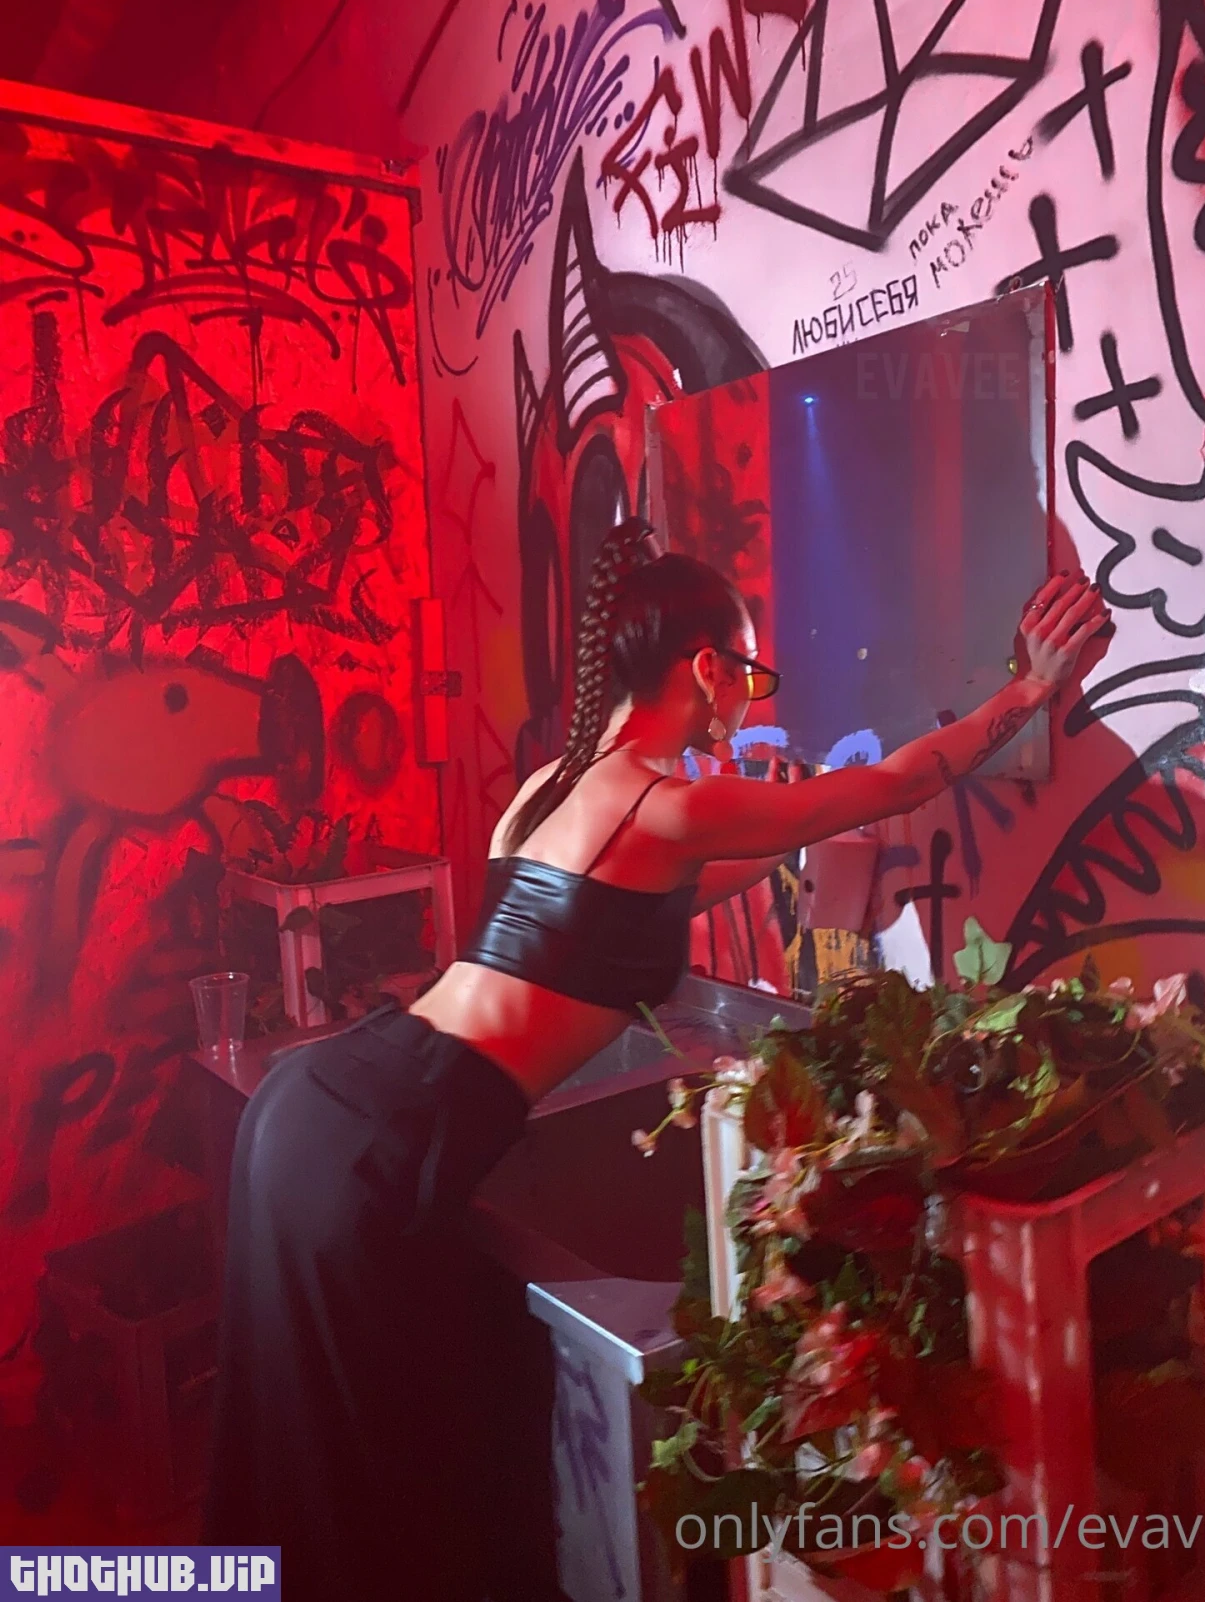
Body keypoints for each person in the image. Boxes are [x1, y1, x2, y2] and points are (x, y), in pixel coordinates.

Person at [203, 518, 1109, 1598]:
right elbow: (897, 785)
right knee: (377, 1495)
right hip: (388, 1135)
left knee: (302, 1471)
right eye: (750, 673)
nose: (752, 700)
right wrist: (1029, 689)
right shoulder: (662, 800)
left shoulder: (556, 785)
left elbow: (665, 890)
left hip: (328, 1100)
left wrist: (798, 813)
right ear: (705, 667)